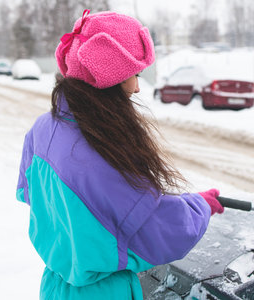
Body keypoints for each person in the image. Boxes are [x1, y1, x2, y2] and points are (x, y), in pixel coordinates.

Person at [16, 9, 224, 300]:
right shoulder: (98, 153)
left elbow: (31, 196)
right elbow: (150, 234)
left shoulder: (42, 129)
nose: (137, 87)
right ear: (108, 77)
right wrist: (199, 207)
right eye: (134, 74)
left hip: (55, 287)